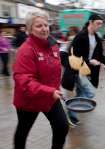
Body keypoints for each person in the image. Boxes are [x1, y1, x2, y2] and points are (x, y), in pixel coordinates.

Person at [13, 11, 69, 149]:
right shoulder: (25, 50)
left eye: (46, 24)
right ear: (30, 29)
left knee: (62, 127)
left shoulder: (53, 45)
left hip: (50, 96)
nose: (44, 28)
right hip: (28, 100)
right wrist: (50, 91)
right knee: (23, 130)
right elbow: (24, 80)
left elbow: (54, 69)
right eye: (39, 26)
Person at [61, 14, 105, 126]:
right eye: (98, 23)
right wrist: (89, 61)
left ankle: (71, 116)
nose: (99, 26)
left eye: (101, 24)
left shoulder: (97, 38)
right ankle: (70, 110)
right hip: (77, 70)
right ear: (90, 22)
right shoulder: (80, 36)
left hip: (87, 71)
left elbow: (99, 55)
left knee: (81, 92)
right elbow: (74, 55)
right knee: (90, 92)